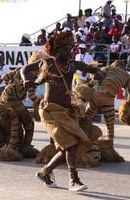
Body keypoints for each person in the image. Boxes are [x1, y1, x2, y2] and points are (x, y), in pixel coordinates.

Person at [20, 32, 104, 191]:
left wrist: (99, 73)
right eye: (66, 49)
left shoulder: (73, 64)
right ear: (57, 51)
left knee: (69, 145)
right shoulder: (47, 63)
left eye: (70, 48)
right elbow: (25, 69)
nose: (69, 52)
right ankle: (74, 179)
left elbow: (91, 69)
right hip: (50, 112)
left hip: (67, 112)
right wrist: (26, 80)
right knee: (71, 144)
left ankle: (45, 172)